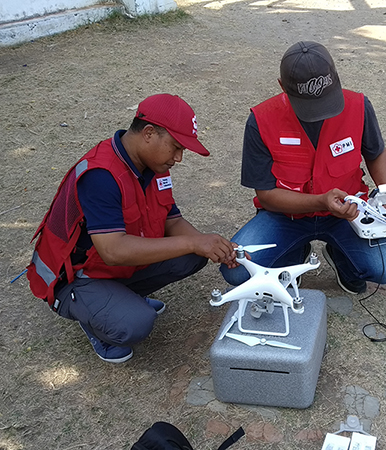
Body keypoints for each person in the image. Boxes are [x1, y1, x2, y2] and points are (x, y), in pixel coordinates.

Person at [27, 93, 238, 363]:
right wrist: (194, 242)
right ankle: (98, 318)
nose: (179, 157)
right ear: (148, 133)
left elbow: (171, 221)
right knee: (136, 323)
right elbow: (113, 251)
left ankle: (120, 298)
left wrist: (214, 246)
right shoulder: (100, 175)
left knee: (196, 252)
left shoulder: (154, 164)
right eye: (175, 147)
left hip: (111, 268)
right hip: (75, 279)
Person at [220, 41, 386, 294]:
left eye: (326, 101)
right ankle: (293, 255)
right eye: (309, 106)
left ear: (337, 78)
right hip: (284, 217)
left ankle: (341, 258)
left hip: (348, 215)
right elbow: (267, 195)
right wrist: (321, 201)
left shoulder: (359, 107)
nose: (320, 114)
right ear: (282, 87)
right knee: (237, 271)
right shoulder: (261, 121)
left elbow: (376, 152)